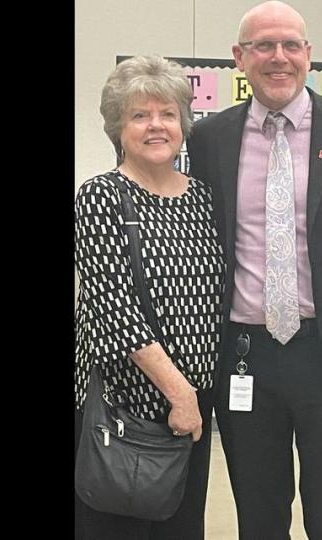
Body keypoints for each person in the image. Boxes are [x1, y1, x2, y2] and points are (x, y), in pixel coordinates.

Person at [186, 2, 322, 538]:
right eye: (264, 46)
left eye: (291, 45)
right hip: (246, 357)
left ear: (309, 55)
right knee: (259, 512)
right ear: (239, 57)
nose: (279, 57)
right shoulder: (208, 137)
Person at [73, 55, 225, 539]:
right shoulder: (99, 197)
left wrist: (192, 399)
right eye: (139, 115)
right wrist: (178, 392)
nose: (156, 125)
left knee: (180, 529)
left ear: (184, 123)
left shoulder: (204, 198)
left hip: (190, 415)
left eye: (167, 113)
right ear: (118, 128)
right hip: (121, 411)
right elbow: (113, 306)